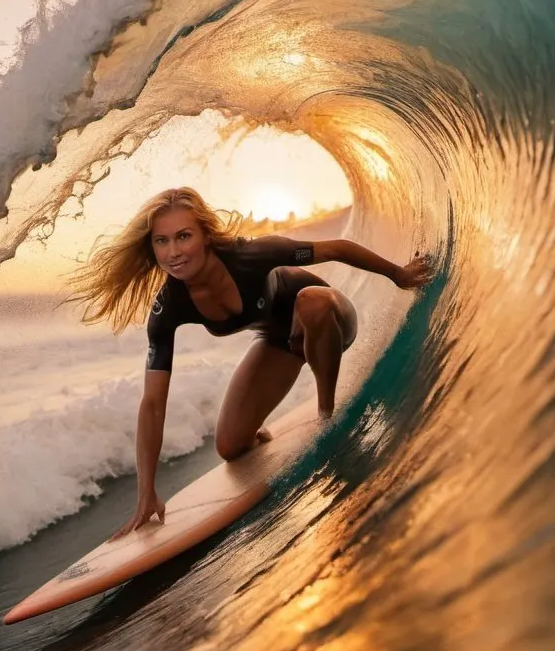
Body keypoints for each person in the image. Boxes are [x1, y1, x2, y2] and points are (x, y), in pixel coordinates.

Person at [67, 187, 432, 538]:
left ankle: (327, 415)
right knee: (230, 447)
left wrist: (398, 275)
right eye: (161, 241)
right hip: (280, 343)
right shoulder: (169, 307)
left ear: (206, 236)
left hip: (330, 321)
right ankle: (262, 427)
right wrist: (146, 492)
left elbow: (336, 248)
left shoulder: (251, 255)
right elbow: (152, 404)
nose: (173, 251)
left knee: (312, 303)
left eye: (183, 236)